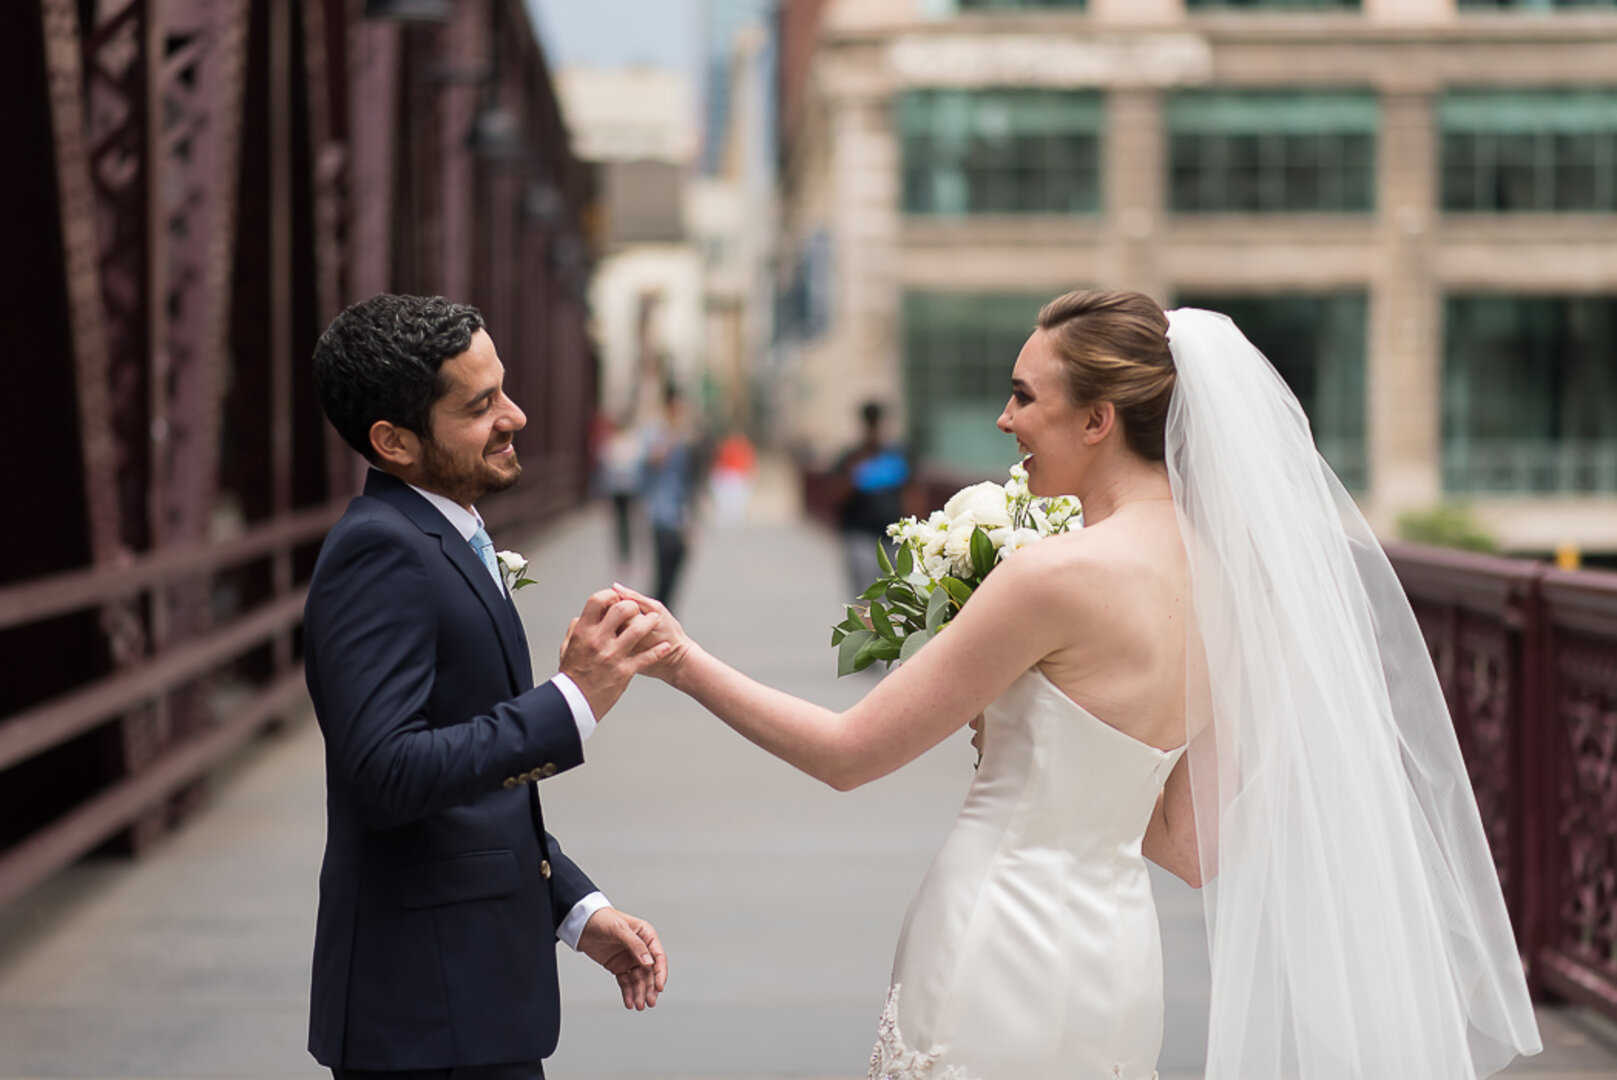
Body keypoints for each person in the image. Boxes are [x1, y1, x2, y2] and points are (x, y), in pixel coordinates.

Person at [614, 290, 1542, 1079]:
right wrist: (1058, 747)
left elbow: (848, 755)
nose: (1003, 420)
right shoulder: (1233, 584)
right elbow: (1186, 848)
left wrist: (682, 660)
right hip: (1116, 956)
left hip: (994, 932)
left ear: (1097, 420)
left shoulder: (1048, 576)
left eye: (1023, 396)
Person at [303, 294, 672, 1080]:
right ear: (393, 441)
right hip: (424, 1016)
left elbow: (466, 789)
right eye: (481, 406)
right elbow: (386, 772)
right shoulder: (380, 552)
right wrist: (570, 700)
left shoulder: (443, 531)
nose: (517, 415)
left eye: (501, 387)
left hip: (464, 1002)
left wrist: (574, 908)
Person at [831, 401, 912, 601]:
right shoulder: (853, 457)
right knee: (864, 597)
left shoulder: (899, 454)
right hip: (861, 535)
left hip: (893, 537)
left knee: (897, 597)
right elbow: (836, 495)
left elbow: (911, 492)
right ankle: (868, 631)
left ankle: (886, 632)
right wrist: (857, 473)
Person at [642, 383, 695, 610]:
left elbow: (686, 479)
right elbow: (650, 463)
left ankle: (665, 615)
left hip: (677, 512)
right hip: (659, 511)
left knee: (678, 561)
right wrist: (670, 439)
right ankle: (656, 615)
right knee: (663, 567)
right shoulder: (657, 431)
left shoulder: (682, 436)